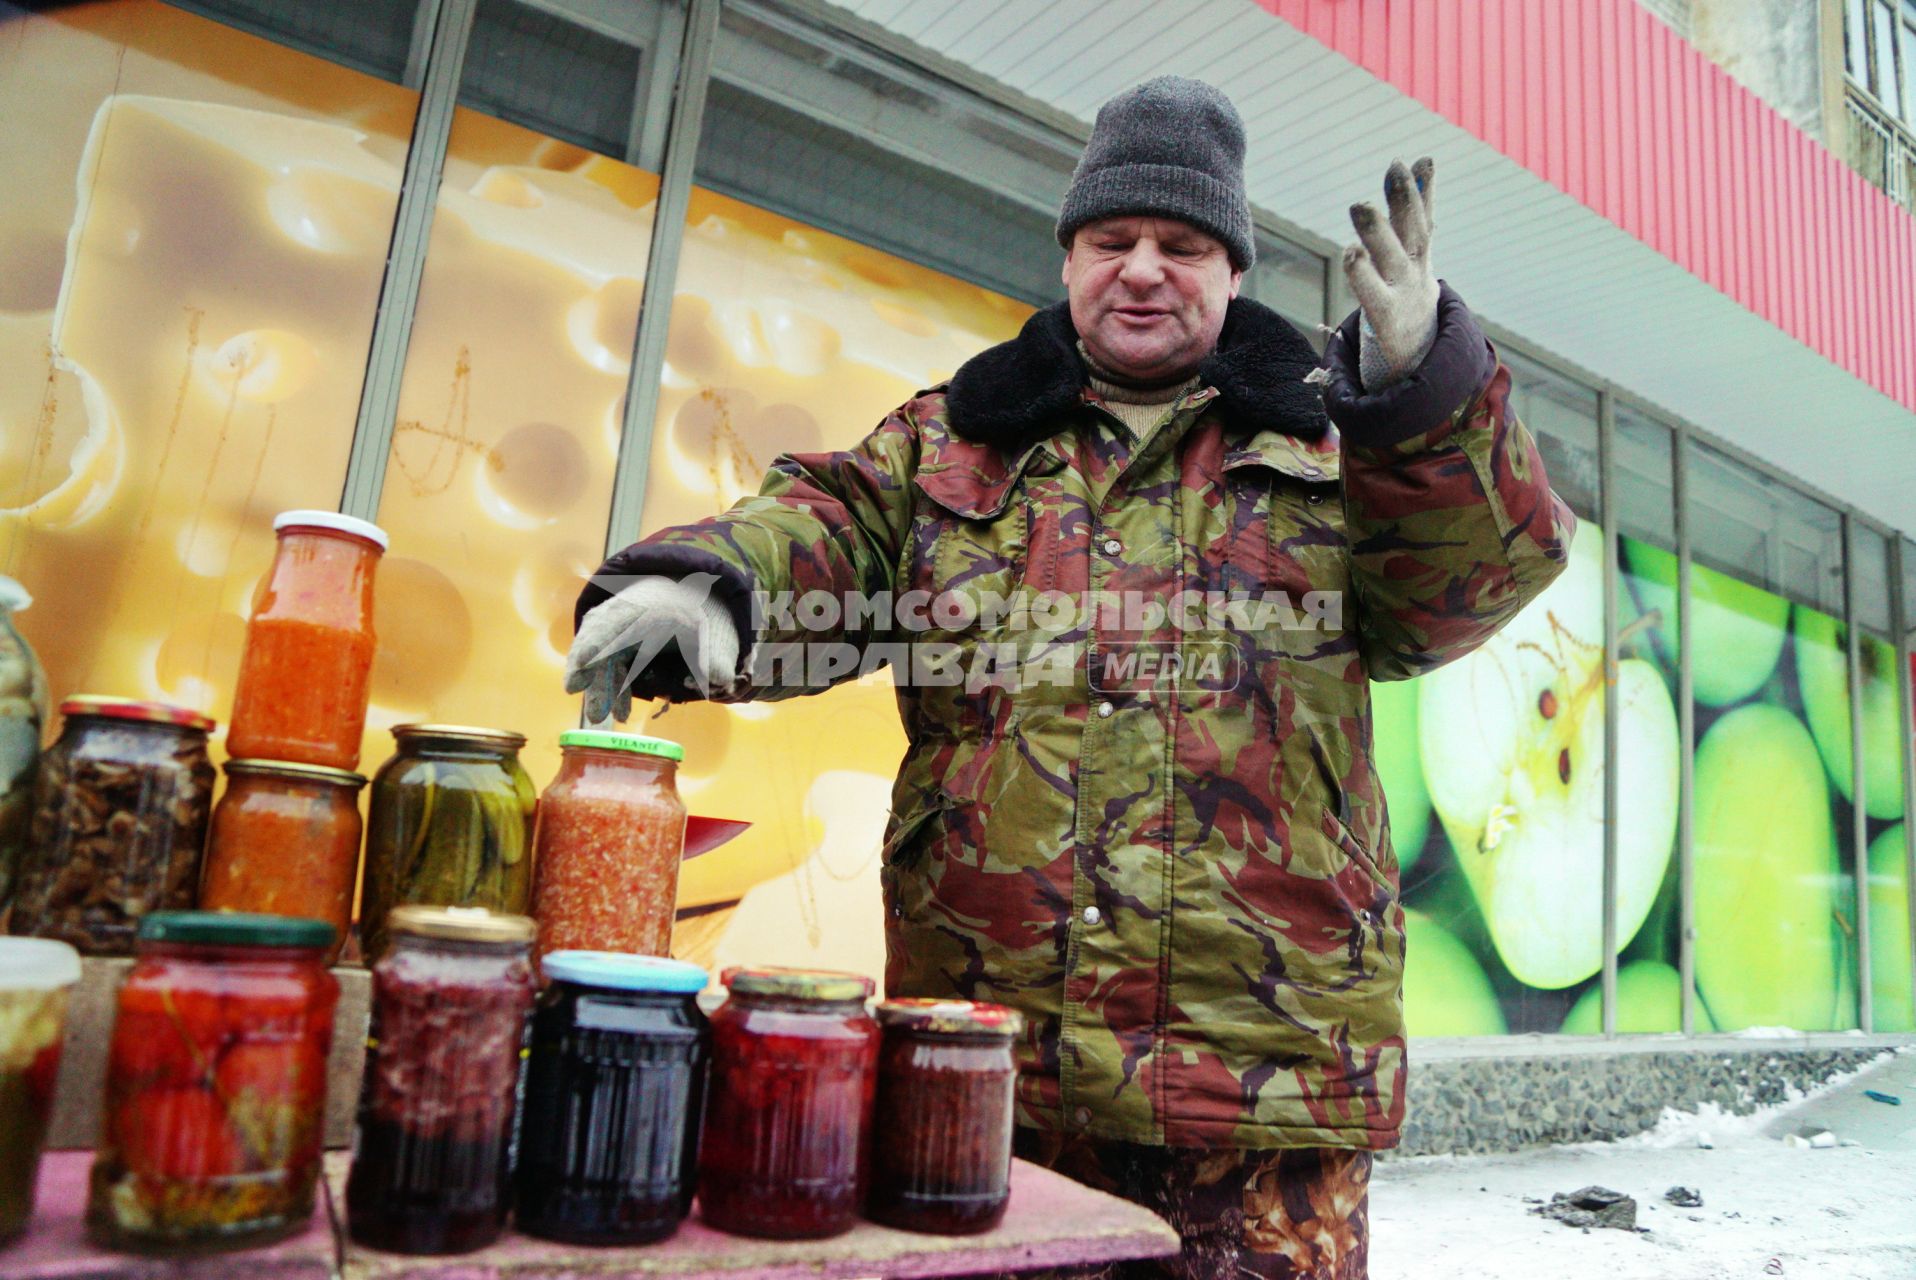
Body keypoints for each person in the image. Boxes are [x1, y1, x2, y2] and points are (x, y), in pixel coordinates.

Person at [566, 76, 1572, 1280]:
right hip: (986, 1076)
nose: (1143, 268)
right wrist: (709, 583)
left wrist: (1424, 397)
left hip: (1257, 1099)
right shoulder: (956, 440)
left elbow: (1458, 592)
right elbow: (822, 529)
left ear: (1233, 269)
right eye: (1113, 240)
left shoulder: (1333, 443)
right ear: (1069, 257)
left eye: (1182, 244)